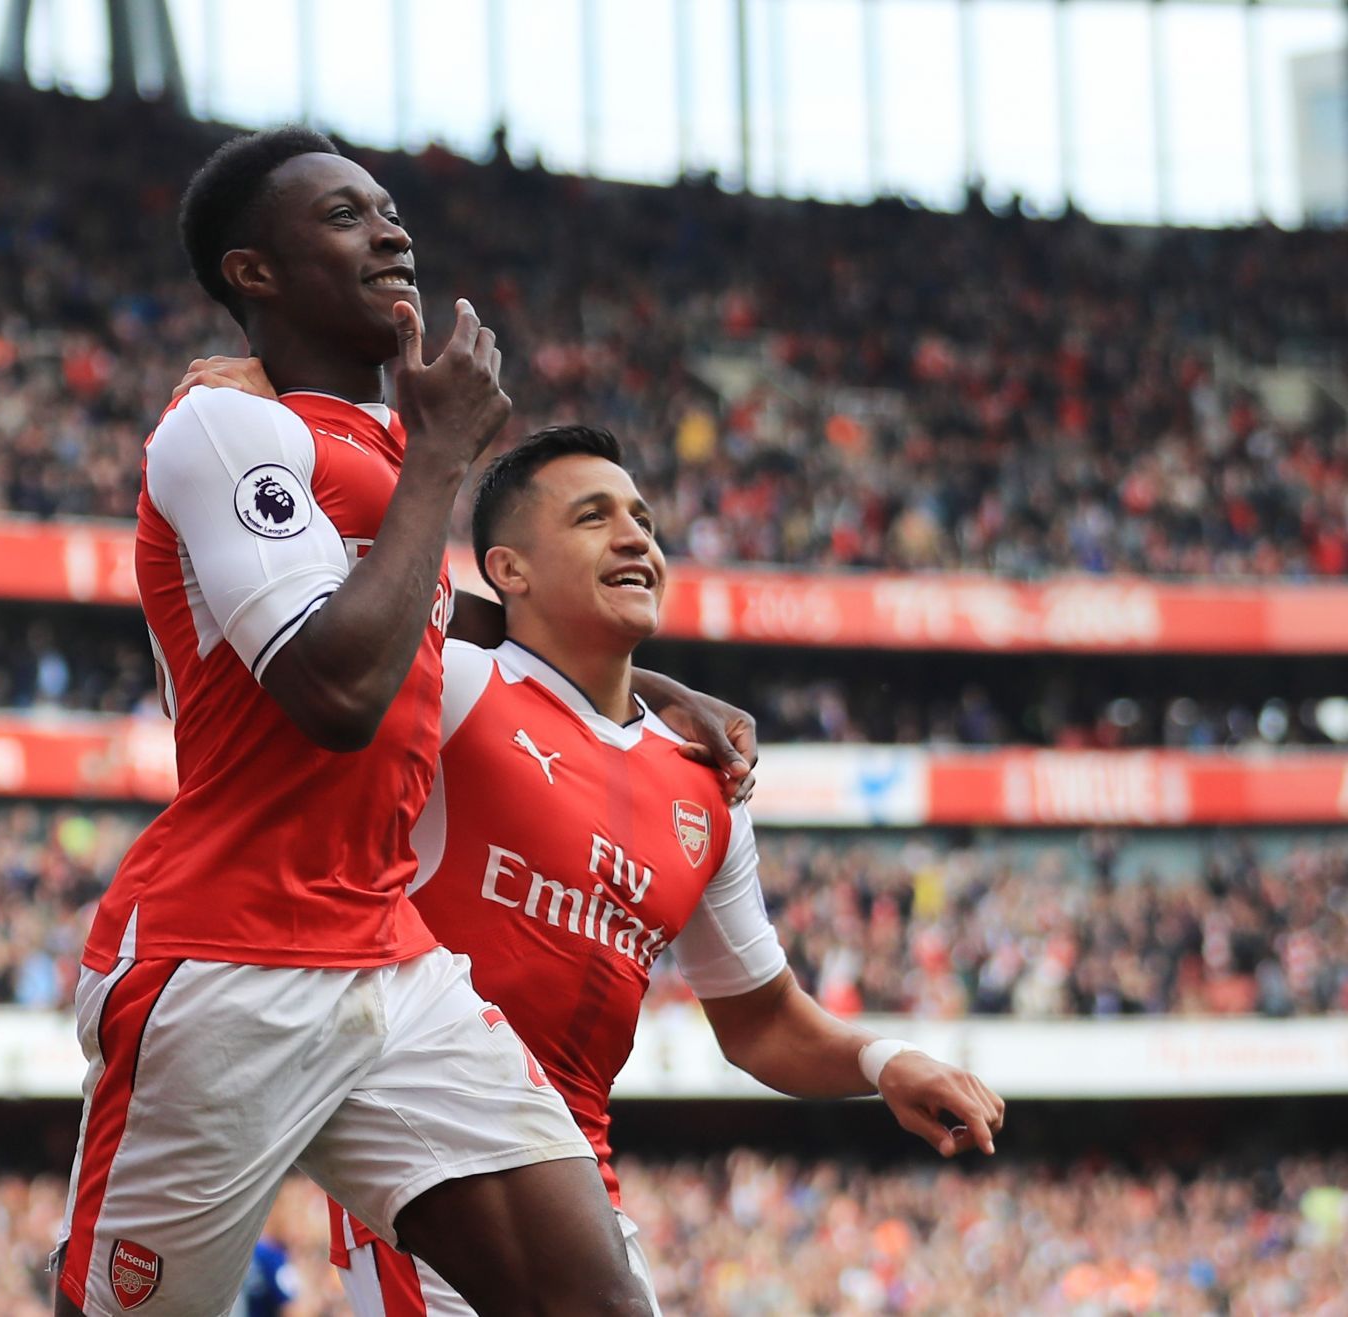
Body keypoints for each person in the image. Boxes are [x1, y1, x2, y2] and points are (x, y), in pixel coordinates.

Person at [55, 128, 753, 1317]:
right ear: (252, 274)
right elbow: (335, 693)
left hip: (389, 954)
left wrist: (636, 687)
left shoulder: (383, 451)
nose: (392, 231)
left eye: (388, 210)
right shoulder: (225, 430)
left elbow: (440, 612)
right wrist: (441, 456)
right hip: (227, 962)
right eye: (342, 216)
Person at [310, 425, 1005, 1314]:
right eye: (592, 519)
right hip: (431, 1176)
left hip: (578, 1191)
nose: (636, 536)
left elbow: (759, 1020)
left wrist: (884, 1059)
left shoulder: (708, 783)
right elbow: (336, 597)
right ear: (509, 568)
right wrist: (265, 393)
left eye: (642, 518)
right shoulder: (454, 692)